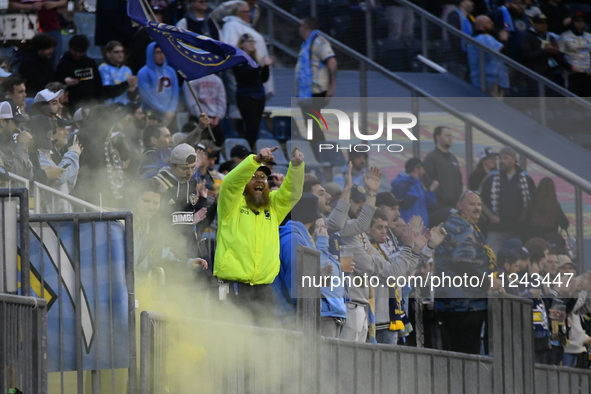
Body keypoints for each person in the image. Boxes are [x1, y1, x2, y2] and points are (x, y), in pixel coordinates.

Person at [213, 146, 305, 326]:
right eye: (253, 177)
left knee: (263, 344)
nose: (259, 181)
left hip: (264, 290)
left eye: (263, 177)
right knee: (235, 341)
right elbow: (231, 183)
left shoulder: (272, 208)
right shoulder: (231, 205)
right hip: (234, 287)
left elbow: (290, 194)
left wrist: (295, 168)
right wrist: (255, 161)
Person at [434, 190, 503, 354]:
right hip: (464, 305)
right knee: (466, 358)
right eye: (472, 204)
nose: (477, 208)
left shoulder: (455, 224)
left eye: (479, 204)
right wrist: (488, 283)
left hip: (451, 303)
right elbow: (464, 265)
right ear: (460, 206)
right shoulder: (463, 228)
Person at [152, 143, 209, 271]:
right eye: (184, 168)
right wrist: (187, 219)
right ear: (172, 165)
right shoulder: (158, 183)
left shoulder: (192, 182)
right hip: (167, 251)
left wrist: (200, 204)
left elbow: (189, 208)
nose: (189, 173)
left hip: (189, 247)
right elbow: (155, 217)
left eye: (192, 168)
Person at [480, 146, 536, 254]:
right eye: (500, 158)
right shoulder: (491, 177)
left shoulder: (526, 179)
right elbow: (478, 198)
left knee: (515, 264)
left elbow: (532, 203)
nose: (501, 161)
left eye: (505, 158)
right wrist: (490, 215)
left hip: (517, 231)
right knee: (492, 261)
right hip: (496, 230)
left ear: (514, 160)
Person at [296, 16, 337, 156]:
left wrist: (332, 87)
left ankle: (321, 154)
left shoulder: (319, 41)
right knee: (311, 125)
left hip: (316, 91)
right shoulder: (307, 43)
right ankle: (318, 153)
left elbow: (332, 63)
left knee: (313, 125)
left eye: (301, 26)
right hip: (307, 92)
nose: (299, 29)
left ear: (306, 27)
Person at [233, 33, 274, 148]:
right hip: (246, 96)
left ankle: (251, 148)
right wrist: (259, 67)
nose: (252, 44)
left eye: (253, 42)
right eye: (249, 42)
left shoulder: (255, 59)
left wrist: (265, 66)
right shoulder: (239, 60)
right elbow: (244, 77)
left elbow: (263, 79)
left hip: (259, 96)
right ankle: (248, 150)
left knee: (256, 126)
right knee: (252, 125)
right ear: (242, 45)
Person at [38, 120, 82, 212]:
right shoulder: (41, 152)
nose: (66, 132)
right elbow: (59, 177)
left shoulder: (58, 152)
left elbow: (69, 184)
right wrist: (73, 154)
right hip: (51, 216)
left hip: (61, 213)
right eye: (61, 129)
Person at [423, 126, 463, 225]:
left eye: (450, 135)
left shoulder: (453, 158)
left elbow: (459, 180)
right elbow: (426, 180)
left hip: (454, 206)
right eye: (447, 135)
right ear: (437, 137)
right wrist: (441, 196)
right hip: (439, 208)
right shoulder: (431, 158)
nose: (450, 138)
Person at [521, 14, 573, 89]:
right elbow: (528, 55)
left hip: (550, 74)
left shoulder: (550, 37)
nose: (543, 25)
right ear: (534, 24)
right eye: (540, 23)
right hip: (534, 74)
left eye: (545, 23)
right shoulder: (527, 37)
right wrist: (545, 50)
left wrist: (569, 66)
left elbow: (557, 57)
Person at [9, 0, 65, 68]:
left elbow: (64, 1)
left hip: (51, 26)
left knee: (54, 59)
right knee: (24, 58)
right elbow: (12, 4)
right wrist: (30, 6)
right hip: (27, 28)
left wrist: (55, 4)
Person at [55, 35, 103, 112]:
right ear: (70, 48)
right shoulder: (63, 64)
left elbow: (97, 83)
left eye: (80, 52)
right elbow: (55, 83)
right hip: (71, 105)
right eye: (75, 51)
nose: (77, 54)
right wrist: (64, 82)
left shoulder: (90, 63)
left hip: (91, 103)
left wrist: (99, 101)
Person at [137, 43, 180, 127]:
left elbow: (175, 94)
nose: (161, 55)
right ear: (150, 53)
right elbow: (147, 97)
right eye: (158, 52)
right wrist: (164, 112)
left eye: (163, 52)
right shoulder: (143, 72)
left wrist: (171, 111)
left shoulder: (171, 71)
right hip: (151, 115)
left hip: (170, 115)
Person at [467, 15, 510, 97]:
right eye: (489, 23)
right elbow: (503, 51)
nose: (492, 24)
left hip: (491, 79)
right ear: (482, 27)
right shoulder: (484, 38)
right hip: (489, 80)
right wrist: (504, 40)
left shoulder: (478, 38)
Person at [390, 158, 438, 227]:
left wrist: (431, 191)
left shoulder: (417, 183)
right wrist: (415, 183)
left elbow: (427, 203)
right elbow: (405, 204)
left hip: (421, 229)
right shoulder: (400, 184)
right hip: (408, 229)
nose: (423, 172)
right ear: (416, 170)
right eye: (422, 169)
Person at [183, 74, 226, 145]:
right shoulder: (190, 80)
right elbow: (191, 103)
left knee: (218, 146)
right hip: (197, 119)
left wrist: (218, 116)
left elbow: (221, 102)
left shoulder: (218, 80)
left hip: (214, 120)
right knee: (194, 145)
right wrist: (204, 118)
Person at [521, 177, 569, 242]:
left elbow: (523, 221)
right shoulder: (554, 205)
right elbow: (565, 223)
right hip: (549, 242)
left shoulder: (532, 203)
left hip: (531, 241)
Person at [559, 12, 591, 97]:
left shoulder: (589, 36)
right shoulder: (564, 36)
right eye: (577, 20)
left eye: (582, 20)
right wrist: (570, 67)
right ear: (573, 22)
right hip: (573, 73)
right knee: (574, 101)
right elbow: (559, 56)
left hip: (588, 73)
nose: (580, 23)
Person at [0, 101, 34, 180]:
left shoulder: (10, 144)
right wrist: (22, 145)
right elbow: (14, 175)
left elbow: (29, 175)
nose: (18, 129)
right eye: (16, 123)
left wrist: (23, 147)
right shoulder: (17, 145)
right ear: (3, 122)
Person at [99, 41, 140, 105]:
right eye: (116, 52)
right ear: (108, 54)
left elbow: (133, 96)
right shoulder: (103, 68)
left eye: (122, 52)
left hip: (128, 106)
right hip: (112, 107)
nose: (120, 54)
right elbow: (107, 91)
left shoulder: (127, 69)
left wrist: (132, 89)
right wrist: (127, 84)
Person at [131, 0, 166, 74]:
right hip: (145, 71)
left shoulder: (162, 33)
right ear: (149, 17)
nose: (159, 18)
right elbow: (139, 57)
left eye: (160, 15)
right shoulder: (142, 34)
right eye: (155, 15)